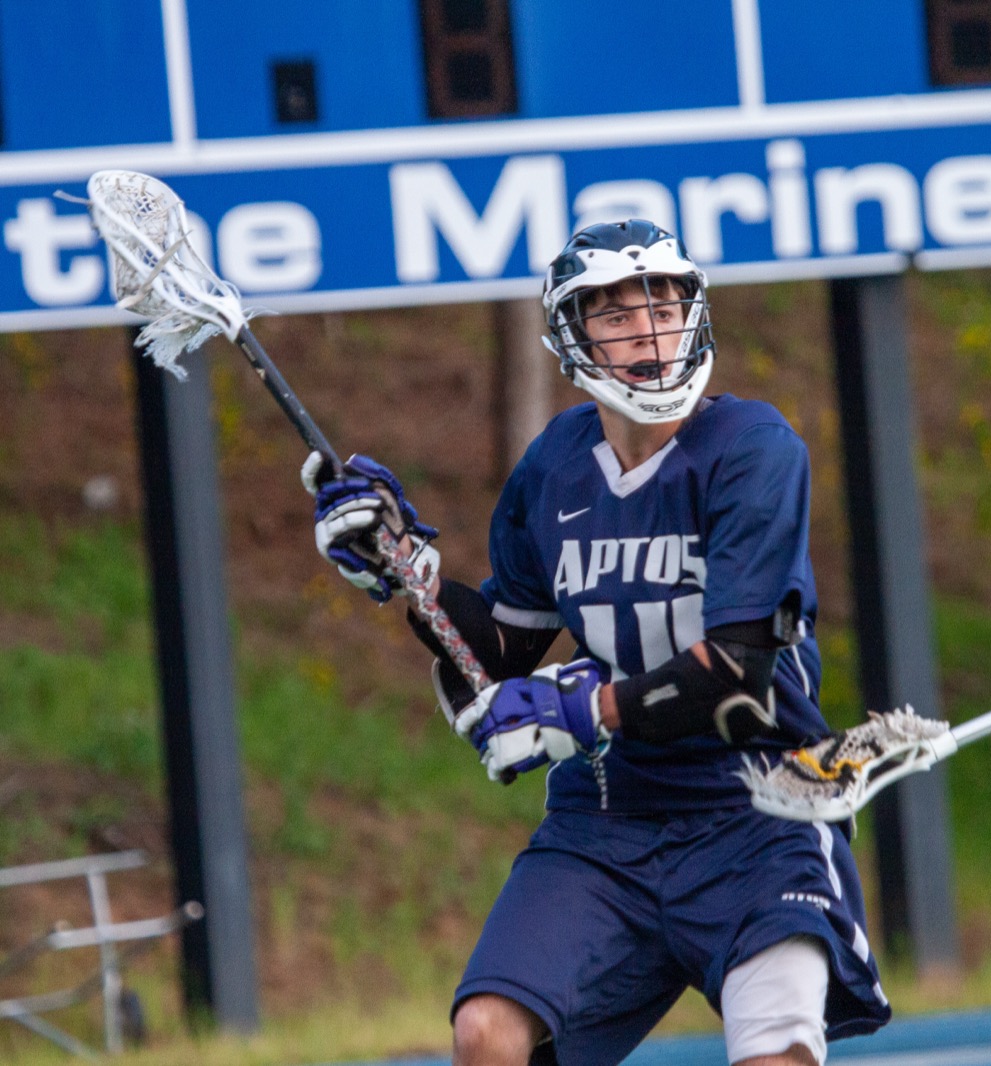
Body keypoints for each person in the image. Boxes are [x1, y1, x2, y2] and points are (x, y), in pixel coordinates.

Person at [302, 219, 890, 1066]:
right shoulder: (556, 466)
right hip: (608, 821)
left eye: (664, 304)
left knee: (777, 1054)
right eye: (613, 314)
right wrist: (405, 571)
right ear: (573, 340)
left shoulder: (754, 449)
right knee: (488, 1036)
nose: (647, 330)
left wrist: (584, 707)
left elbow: (739, 670)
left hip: (757, 810)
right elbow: (499, 654)